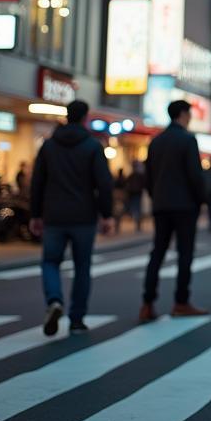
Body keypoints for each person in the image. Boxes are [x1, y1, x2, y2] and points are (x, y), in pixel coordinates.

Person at [29, 100, 114, 336]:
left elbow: (37, 183)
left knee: (50, 262)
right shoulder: (92, 146)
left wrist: (35, 214)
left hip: (54, 215)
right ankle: (77, 319)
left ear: (66, 116)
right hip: (83, 216)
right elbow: (104, 184)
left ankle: (54, 300)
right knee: (82, 267)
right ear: (85, 118)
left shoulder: (48, 146)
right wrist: (106, 215)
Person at [139, 100, 209, 321]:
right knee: (184, 254)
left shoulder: (156, 141)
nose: (190, 117)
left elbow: (148, 176)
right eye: (189, 113)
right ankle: (181, 301)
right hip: (185, 206)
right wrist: (201, 200)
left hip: (161, 204)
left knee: (157, 252)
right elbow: (195, 175)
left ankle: (147, 303)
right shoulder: (187, 140)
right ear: (182, 114)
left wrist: (155, 196)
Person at [125, 161, 145, 232]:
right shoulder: (132, 176)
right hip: (134, 194)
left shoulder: (136, 176)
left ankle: (138, 224)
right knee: (136, 208)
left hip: (136, 194)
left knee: (136, 208)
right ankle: (137, 223)